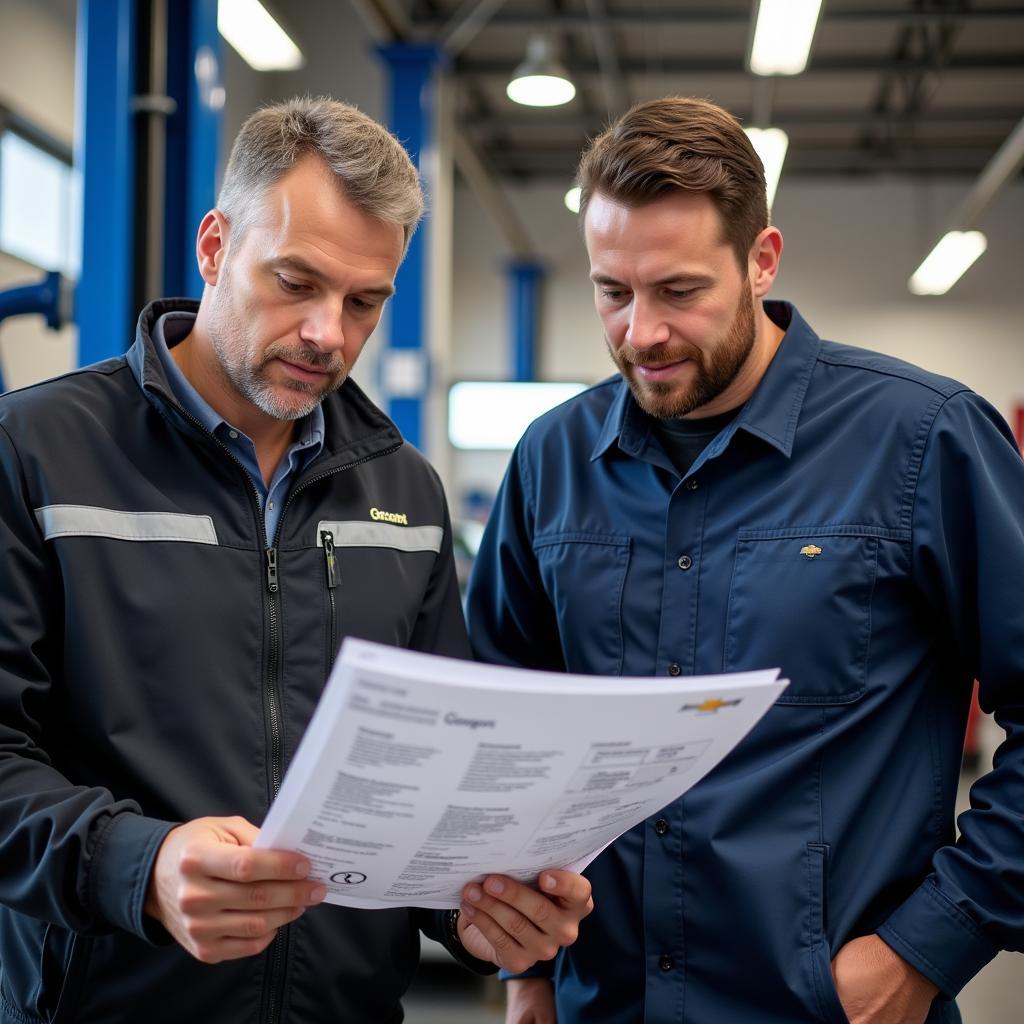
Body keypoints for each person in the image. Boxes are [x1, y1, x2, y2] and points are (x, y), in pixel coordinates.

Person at [0, 96, 591, 1024]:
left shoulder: (405, 493)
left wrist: (475, 912)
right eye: (295, 281)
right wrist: (140, 866)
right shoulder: (36, 453)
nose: (329, 333)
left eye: (365, 302)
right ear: (213, 247)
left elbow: (431, 777)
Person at [466, 96, 1024, 1024]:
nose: (641, 333)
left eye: (679, 292)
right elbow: (497, 732)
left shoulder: (923, 440)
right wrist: (522, 971)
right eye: (613, 291)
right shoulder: (550, 461)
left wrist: (924, 949)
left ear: (761, 260)